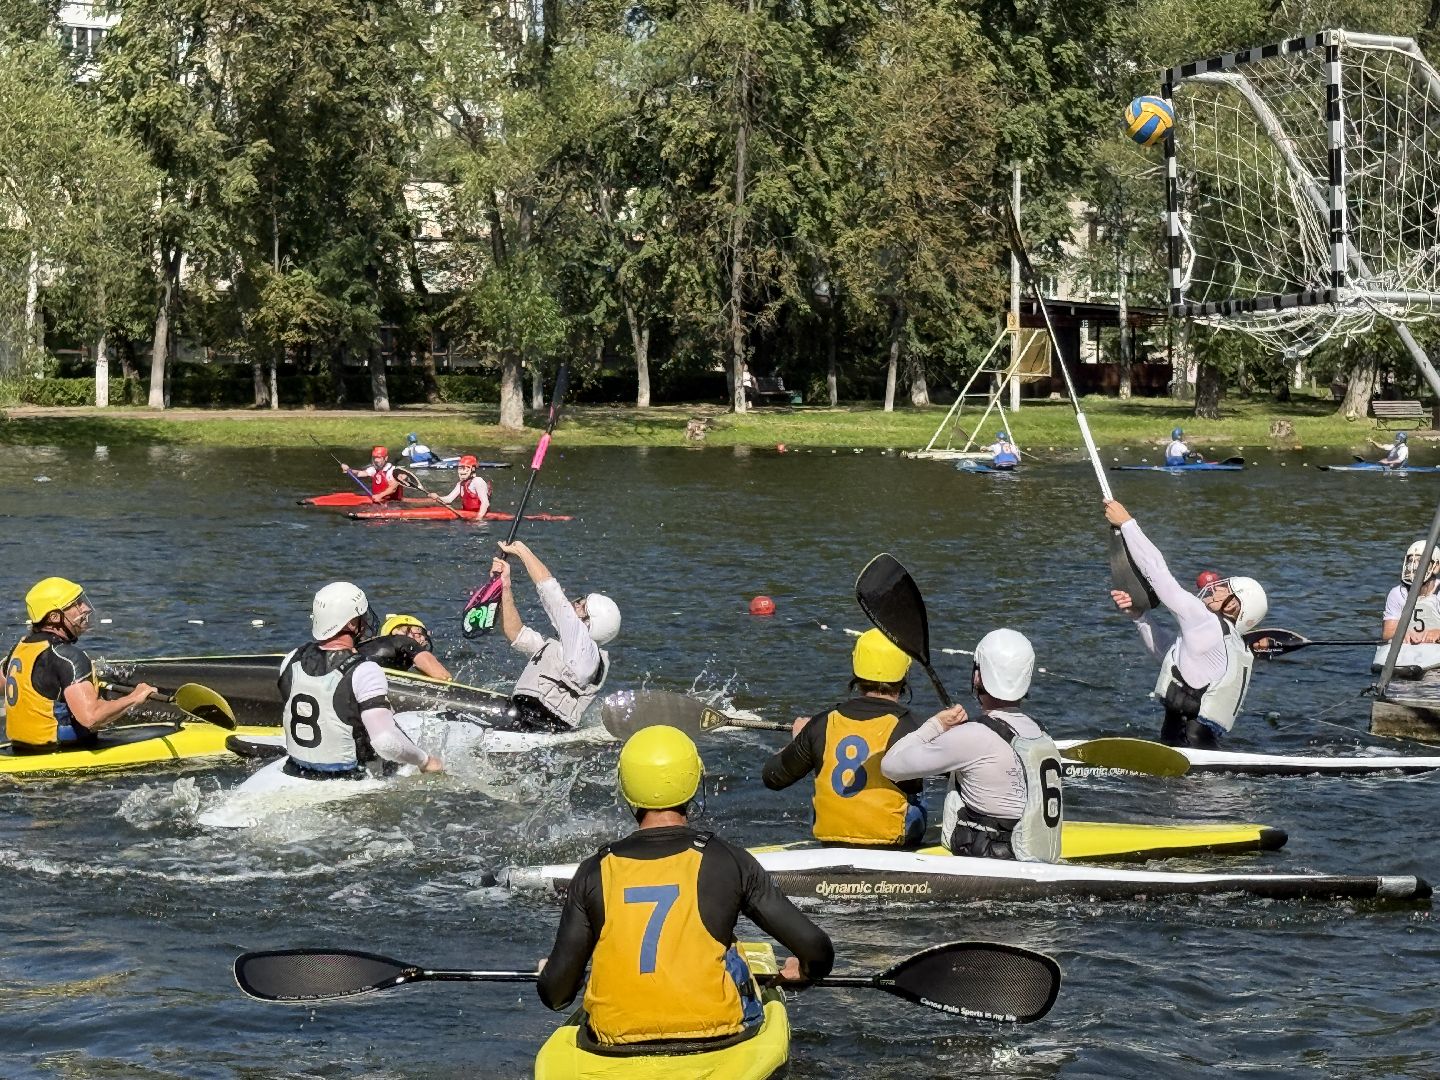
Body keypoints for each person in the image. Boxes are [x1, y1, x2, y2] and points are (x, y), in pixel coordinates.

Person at [537, 726, 833, 1048]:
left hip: (613, 1041)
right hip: (716, 1036)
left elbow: (555, 996)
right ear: (693, 783)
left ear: (626, 788)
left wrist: (558, 975)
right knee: (734, 957)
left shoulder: (593, 871)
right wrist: (803, 970)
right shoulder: (728, 860)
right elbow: (817, 950)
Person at [881, 629, 1062, 862]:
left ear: (978, 677)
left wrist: (936, 724)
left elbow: (890, 765)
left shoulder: (974, 736)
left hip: (991, 870)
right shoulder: (1040, 733)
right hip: (1033, 860)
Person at [1105, 499, 1268, 748]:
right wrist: (1139, 615)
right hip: (1201, 745)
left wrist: (1127, 524)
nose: (1213, 590)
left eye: (1223, 590)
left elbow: (1159, 574)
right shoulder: (1231, 642)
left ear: (1234, 605)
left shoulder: (1206, 622)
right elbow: (1166, 654)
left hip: (1186, 746)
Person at [761, 628, 926, 847]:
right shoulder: (911, 725)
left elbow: (773, 777)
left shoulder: (823, 724)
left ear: (857, 673)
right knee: (917, 797)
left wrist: (799, 741)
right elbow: (926, 779)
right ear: (904, 674)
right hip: (890, 839)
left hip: (833, 837)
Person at [278, 582, 442, 778]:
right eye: (361, 616)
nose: (365, 620)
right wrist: (425, 761)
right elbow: (386, 742)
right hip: (351, 779)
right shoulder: (365, 670)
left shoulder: (292, 658)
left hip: (297, 770)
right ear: (351, 623)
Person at [3, 577, 156, 753]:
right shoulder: (68, 657)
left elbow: (8, 684)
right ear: (54, 617)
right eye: (76, 604)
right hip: (63, 752)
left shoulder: (19, 649)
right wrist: (134, 697)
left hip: (20, 749)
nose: (86, 608)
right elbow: (91, 717)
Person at [492, 540, 620, 731]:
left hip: (542, 722)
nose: (575, 604)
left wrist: (522, 551)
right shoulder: (570, 654)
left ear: (589, 624)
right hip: (536, 720)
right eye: (579, 601)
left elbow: (551, 592)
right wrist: (505, 586)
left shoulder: (583, 645)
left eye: (582, 606)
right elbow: (516, 634)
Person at [359, 614, 452, 681]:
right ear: (396, 631)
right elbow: (443, 677)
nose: (423, 639)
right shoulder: (403, 640)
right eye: (419, 632)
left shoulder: (374, 645)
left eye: (425, 637)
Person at [1383, 540, 1440, 644]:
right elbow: (1387, 633)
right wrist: (1400, 634)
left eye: (1420, 561)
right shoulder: (1397, 593)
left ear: (1436, 567)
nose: (1413, 566)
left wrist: (1438, 633)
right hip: (1408, 652)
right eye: (1411, 561)